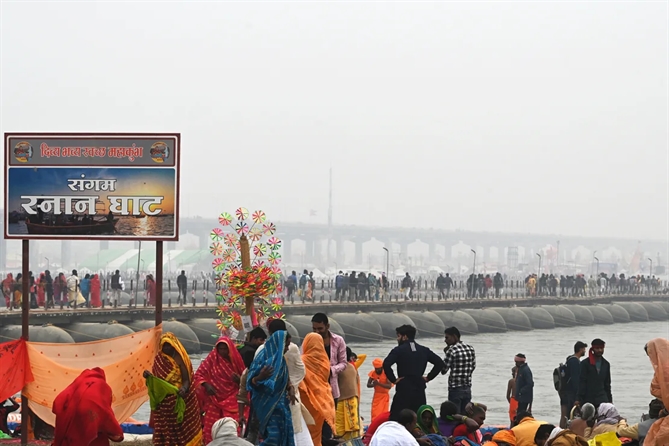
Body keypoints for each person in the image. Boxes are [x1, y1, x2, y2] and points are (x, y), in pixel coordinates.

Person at [144, 333, 203, 446]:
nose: (166, 348)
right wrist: (149, 377)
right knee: (165, 433)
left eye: (169, 346)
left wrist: (184, 389)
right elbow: (157, 382)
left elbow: (187, 380)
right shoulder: (159, 360)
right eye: (164, 346)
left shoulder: (180, 359)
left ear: (174, 345)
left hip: (180, 399)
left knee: (183, 431)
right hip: (164, 405)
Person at [383, 324, 445, 419]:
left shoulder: (398, 350)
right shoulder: (424, 350)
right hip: (419, 389)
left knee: (397, 418)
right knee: (418, 418)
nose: (397, 339)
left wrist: (393, 380)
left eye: (398, 336)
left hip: (403, 388)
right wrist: (428, 377)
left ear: (405, 337)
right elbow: (439, 363)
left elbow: (386, 364)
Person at [193, 336, 246, 444]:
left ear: (229, 349)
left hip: (232, 399)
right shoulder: (212, 359)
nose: (222, 351)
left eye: (225, 349)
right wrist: (206, 385)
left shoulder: (235, 360)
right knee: (210, 428)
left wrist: (239, 380)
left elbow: (245, 381)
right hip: (214, 398)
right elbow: (198, 374)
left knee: (233, 427)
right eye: (220, 349)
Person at [246, 330, 295, 446]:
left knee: (284, 433)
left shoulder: (281, 361)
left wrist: (290, 388)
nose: (287, 348)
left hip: (281, 404)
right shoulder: (262, 357)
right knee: (273, 437)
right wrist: (260, 377)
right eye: (286, 345)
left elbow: (285, 379)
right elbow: (250, 382)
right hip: (265, 404)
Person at [52, 368, 124, 446]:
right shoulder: (102, 385)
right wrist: (115, 431)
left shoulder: (78, 383)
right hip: (89, 415)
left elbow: (59, 402)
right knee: (96, 438)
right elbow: (104, 410)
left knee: (72, 436)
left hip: (72, 416)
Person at [300, 332, 336, 446]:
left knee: (306, 433)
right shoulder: (325, 361)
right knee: (317, 434)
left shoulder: (302, 361)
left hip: (307, 400)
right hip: (322, 401)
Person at [311, 313, 347, 402]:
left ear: (327, 326)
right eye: (314, 329)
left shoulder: (338, 340)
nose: (317, 332)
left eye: (320, 329)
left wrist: (331, 370)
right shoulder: (309, 341)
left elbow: (343, 363)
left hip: (332, 389)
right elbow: (303, 361)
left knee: (332, 415)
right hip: (315, 388)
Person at [442, 326, 476, 414]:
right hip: (467, 387)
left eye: (447, 337)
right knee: (465, 416)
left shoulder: (451, 350)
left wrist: (445, 353)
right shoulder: (470, 348)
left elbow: (443, 370)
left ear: (454, 336)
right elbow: (473, 366)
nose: (445, 340)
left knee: (454, 415)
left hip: (455, 388)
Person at [576, 339, 612, 408]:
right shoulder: (585, 364)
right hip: (588, 399)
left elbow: (607, 384)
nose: (600, 350)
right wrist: (578, 399)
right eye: (597, 348)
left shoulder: (606, 364)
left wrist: (610, 400)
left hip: (602, 399)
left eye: (601, 348)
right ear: (593, 349)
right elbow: (582, 382)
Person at [336, 347, 362, 441]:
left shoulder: (338, 368)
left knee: (340, 427)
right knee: (353, 427)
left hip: (342, 400)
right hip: (354, 400)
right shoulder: (352, 366)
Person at [559, 342, 587, 428]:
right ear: (580, 349)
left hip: (564, 391)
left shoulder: (569, 360)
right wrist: (577, 396)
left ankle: (561, 430)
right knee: (570, 414)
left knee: (564, 413)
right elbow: (576, 380)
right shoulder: (575, 362)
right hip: (571, 393)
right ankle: (568, 430)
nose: (585, 351)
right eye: (584, 349)